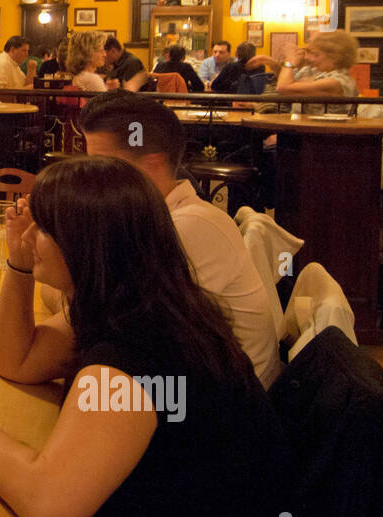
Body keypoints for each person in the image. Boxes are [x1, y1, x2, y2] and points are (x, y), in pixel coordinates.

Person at [0, 157, 293, 517]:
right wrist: (18, 262)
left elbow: (47, 502)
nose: (30, 236)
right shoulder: (135, 301)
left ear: (87, 243)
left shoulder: (137, 352)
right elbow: (19, 361)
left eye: (44, 228)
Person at [72, 91, 281, 386]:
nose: (90, 179)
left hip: (220, 413)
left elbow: (110, 329)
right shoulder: (148, 219)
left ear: (152, 165)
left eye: (102, 166)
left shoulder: (191, 227)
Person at [252, 30, 359, 115]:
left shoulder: (337, 82)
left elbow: (283, 88)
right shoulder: (319, 74)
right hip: (305, 132)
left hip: (321, 138)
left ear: (335, 57)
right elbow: (288, 82)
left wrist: (290, 61)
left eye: (316, 55)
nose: (309, 58)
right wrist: (273, 63)